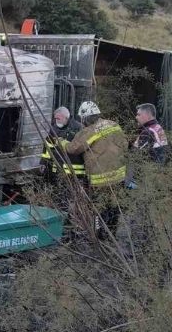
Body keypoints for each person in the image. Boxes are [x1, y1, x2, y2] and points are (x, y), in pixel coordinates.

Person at [61, 101, 128, 239]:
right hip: (119, 177)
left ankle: (100, 237)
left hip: (100, 181)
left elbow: (73, 148)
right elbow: (125, 144)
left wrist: (62, 142)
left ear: (85, 118)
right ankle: (112, 234)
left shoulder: (88, 131)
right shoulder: (114, 125)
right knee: (115, 207)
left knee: (99, 208)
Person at [41, 107, 85, 180]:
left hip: (75, 173)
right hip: (58, 171)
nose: (56, 121)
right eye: (55, 119)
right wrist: (43, 162)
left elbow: (80, 148)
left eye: (58, 119)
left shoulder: (78, 128)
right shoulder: (53, 129)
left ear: (66, 118)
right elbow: (48, 147)